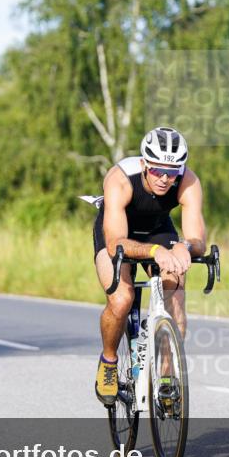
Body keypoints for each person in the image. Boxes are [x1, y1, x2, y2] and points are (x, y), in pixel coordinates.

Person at [92, 127, 206, 405]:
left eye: (172, 172)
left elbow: (197, 240)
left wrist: (185, 247)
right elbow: (115, 243)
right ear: (144, 163)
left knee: (175, 294)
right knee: (122, 300)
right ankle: (108, 361)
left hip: (158, 229)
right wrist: (155, 252)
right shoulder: (120, 179)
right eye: (157, 171)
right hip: (119, 235)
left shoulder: (188, 180)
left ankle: (167, 380)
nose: (165, 179)